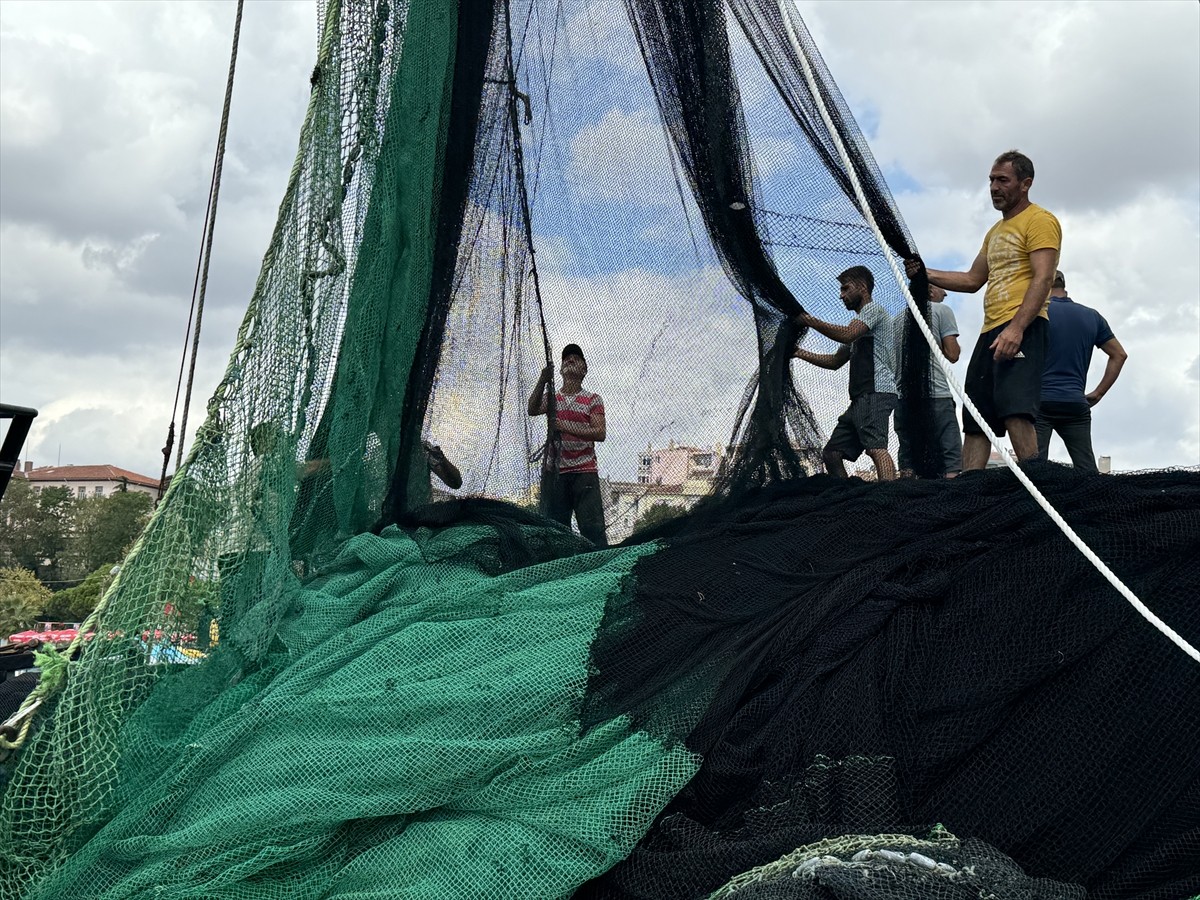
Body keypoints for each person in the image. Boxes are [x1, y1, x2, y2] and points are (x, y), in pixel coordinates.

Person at [906, 150, 1060, 470]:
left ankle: (1040, 483)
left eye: (1002, 180)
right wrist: (925, 272)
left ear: (1025, 184)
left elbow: (1044, 277)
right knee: (976, 416)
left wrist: (1017, 328)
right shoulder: (995, 232)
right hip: (991, 329)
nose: (993, 187)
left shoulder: (1040, 220)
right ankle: (968, 494)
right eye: (991, 180)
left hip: (1023, 325)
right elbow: (973, 279)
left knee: (1016, 409)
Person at [794, 265, 897, 481]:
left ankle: (890, 496)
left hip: (877, 391)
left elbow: (848, 334)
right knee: (832, 453)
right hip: (860, 398)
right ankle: (847, 495)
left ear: (862, 287)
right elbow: (835, 361)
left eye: (845, 288)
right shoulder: (858, 326)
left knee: (876, 448)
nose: (841, 295)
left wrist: (809, 321)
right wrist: (798, 352)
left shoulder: (873, 311)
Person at [1035, 271, 1127, 473]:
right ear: (1063, 285)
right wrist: (1098, 392)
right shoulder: (1092, 316)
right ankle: (1096, 502)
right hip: (1075, 403)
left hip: (1039, 403)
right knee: (1087, 470)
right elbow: (1119, 355)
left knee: (1034, 468)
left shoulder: (1036, 313)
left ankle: (1036, 504)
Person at [527, 343, 608, 546]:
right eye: (566, 358)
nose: (570, 359)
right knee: (554, 530)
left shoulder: (592, 399)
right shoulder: (553, 398)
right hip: (555, 473)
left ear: (584, 370)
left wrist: (563, 425)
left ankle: (597, 569)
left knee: (592, 529)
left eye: (576, 358)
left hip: (584, 472)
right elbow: (532, 408)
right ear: (561, 370)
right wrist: (543, 380)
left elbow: (599, 432)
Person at [892, 285, 962, 477]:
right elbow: (953, 354)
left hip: (904, 400)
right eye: (943, 290)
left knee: (909, 462)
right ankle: (953, 502)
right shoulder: (941, 310)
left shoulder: (896, 320)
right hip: (937, 397)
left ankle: (908, 500)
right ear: (930, 291)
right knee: (951, 462)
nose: (946, 293)